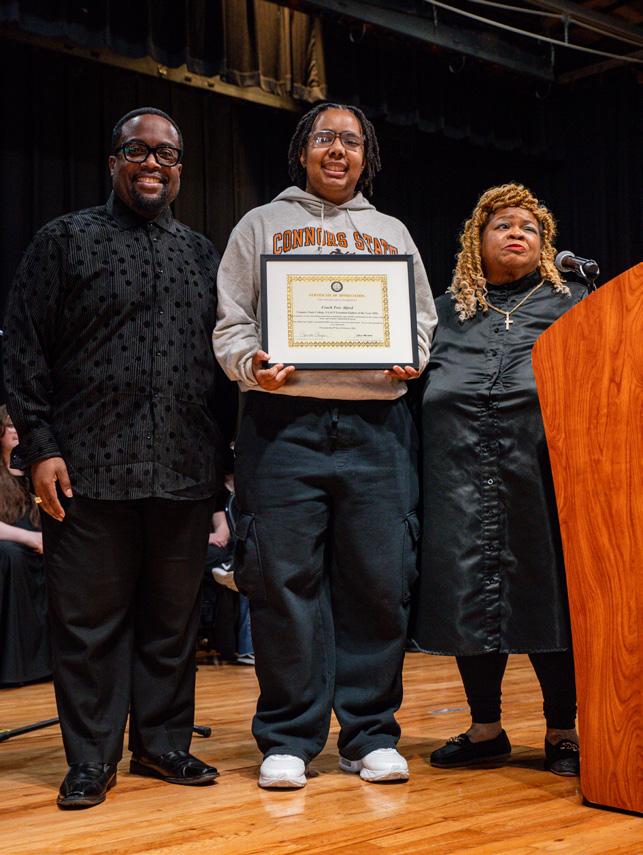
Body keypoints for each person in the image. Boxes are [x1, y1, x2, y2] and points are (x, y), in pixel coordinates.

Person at [3, 107, 225, 808]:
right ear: (112, 162)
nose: (152, 162)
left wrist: (222, 469)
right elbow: (23, 351)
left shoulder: (203, 255)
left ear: (180, 170)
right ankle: (91, 759)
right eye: (137, 150)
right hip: (86, 471)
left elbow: (221, 365)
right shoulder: (62, 240)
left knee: (172, 622)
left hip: (183, 470)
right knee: (87, 626)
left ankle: (162, 744)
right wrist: (40, 446)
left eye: (167, 154)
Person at [214, 102, 437, 788]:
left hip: (376, 427)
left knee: (379, 581)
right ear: (302, 150)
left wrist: (411, 355)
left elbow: (421, 319)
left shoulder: (391, 232)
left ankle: (369, 734)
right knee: (282, 583)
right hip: (282, 426)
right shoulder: (260, 225)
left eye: (350, 141)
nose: (337, 150)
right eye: (324, 138)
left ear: (366, 156)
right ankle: (288, 737)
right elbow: (232, 323)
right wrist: (252, 364)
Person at [413, 183, 584, 777]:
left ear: (545, 244)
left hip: (543, 480)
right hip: (457, 478)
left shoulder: (573, 303)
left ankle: (563, 730)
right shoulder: (444, 313)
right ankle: (485, 729)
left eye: (529, 227)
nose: (516, 233)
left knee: (549, 595)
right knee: (470, 598)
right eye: (502, 225)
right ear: (475, 241)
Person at [0, 405, 50, 685]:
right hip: (10, 544)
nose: (16, 431)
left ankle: (50, 664)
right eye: (10, 425)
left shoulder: (37, 473)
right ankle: (14, 667)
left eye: (19, 425)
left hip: (40, 544)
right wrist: (30, 538)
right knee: (12, 557)